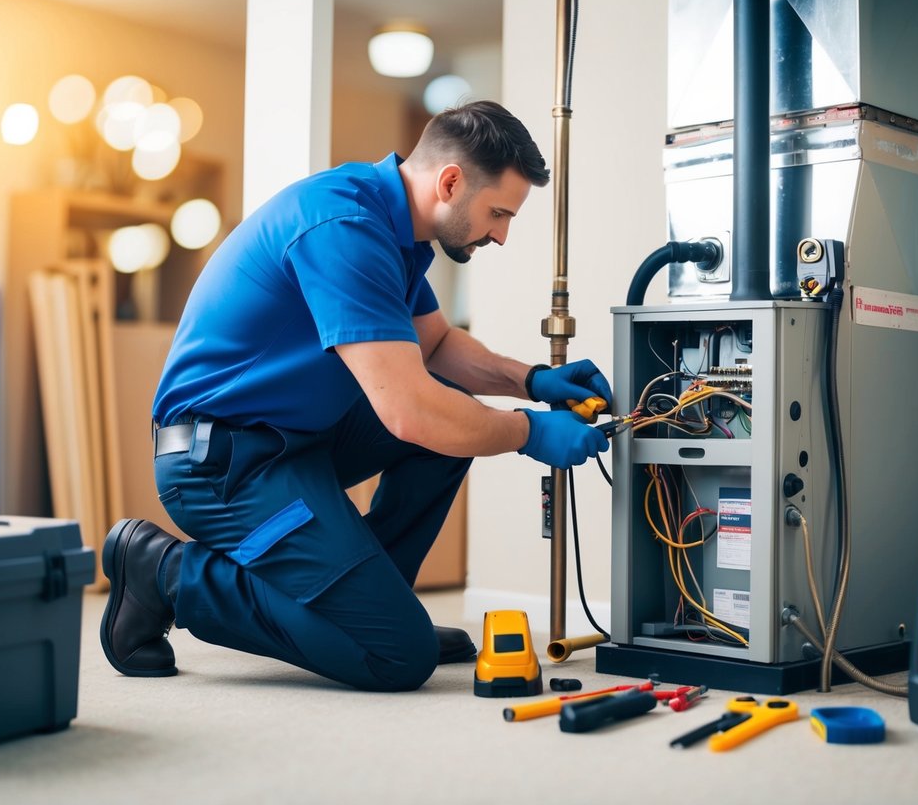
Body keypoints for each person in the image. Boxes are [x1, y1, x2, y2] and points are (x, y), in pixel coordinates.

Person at [99, 100, 612, 692]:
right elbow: (409, 411)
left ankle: (374, 601)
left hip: (295, 440)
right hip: (220, 464)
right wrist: (529, 432)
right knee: (398, 656)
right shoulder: (344, 226)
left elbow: (437, 344)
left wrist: (532, 380)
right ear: (450, 182)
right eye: (498, 213)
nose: (501, 234)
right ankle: (164, 572)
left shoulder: (395, 230)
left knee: (449, 411)